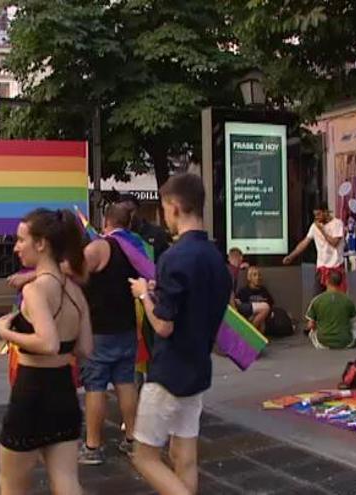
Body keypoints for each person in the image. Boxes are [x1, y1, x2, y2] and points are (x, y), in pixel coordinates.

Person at [128, 173, 231, 495]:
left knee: (144, 457)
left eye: (164, 208)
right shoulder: (217, 258)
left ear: (174, 206)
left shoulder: (173, 258)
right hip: (198, 367)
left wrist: (144, 294)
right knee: (183, 455)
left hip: (169, 372)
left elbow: (163, 326)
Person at [0, 208, 93, 495]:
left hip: (32, 391)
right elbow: (86, 348)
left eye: (21, 240)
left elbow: (47, 343)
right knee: (66, 480)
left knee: (11, 484)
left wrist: (6, 333)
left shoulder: (35, 290)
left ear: (41, 244)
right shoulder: (76, 291)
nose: (16, 247)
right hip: (64, 390)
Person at [70, 203, 140, 465]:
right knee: (125, 383)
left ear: (106, 221)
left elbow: (75, 272)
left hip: (99, 329)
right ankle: (132, 440)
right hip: (126, 327)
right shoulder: (134, 248)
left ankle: (93, 446)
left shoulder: (100, 246)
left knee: (95, 387)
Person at [283, 204, 346, 294]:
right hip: (321, 268)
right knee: (317, 297)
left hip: (335, 268)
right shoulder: (314, 226)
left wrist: (322, 230)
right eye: (315, 215)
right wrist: (291, 256)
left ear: (326, 212)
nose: (317, 217)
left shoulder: (337, 223)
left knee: (335, 298)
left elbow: (334, 243)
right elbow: (304, 242)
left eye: (319, 214)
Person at [305, 270, 356, 349]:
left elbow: (311, 325)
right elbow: (352, 321)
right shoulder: (348, 300)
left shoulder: (317, 300)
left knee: (312, 329)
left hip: (322, 342)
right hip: (346, 342)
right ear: (341, 283)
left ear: (327, 281)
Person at [119, 194, 172, 261]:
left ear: (138, 210)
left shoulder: (156, 233)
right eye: (123, 212)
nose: (127, 215)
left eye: (130, 211)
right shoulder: (116, 235)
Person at [235, 266, 274, 333]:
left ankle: (252, 334)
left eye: (259, 275)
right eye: (254, 275)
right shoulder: (244, 291)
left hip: (262, 318)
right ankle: (250, 333)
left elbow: (271, 304)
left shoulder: (263, 290)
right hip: (249, 317)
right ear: (249, 277)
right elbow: (240, 307)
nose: (258, 277)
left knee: (263, 326)